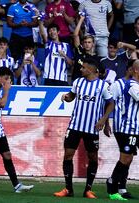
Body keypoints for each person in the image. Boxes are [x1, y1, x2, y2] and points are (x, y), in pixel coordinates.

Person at [54, 57, 114, 199]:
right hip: (75, 125)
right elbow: (72, 96)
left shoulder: (103, 86)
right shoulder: (78, 82)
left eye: (83, 67)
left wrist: (104, 121)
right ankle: (68, 189)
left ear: (92, 70)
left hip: (92, 127)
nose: (81, 69)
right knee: (68, 154)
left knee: (92, 157)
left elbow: (110, 104)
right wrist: (66, 97)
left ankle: (88, 189)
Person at [0, 67, 34, 193]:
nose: (7, 82)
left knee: (7, 155)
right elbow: (2, 104)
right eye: (6, 78)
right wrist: (6, 91)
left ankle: (17, 185)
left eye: (9, 79)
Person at [106, 60, 134, 200]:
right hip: (122, 126)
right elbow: (109, 101)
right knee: (125, 157)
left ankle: (122, 187)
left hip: (134, 128)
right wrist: (106, 122)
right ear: (130, 69)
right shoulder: (118, 84)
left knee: (128, 158)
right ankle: (113, 184)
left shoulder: (136, 85)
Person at [71, 14, 101, 81]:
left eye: (89, 42)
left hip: (88, 84)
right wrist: (81, 20)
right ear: (83, 44)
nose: (87, 44)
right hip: (76, 82)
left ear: (93, 44)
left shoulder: (96, 58)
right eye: (85, 42)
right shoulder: (80, 51)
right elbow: (75, 35)